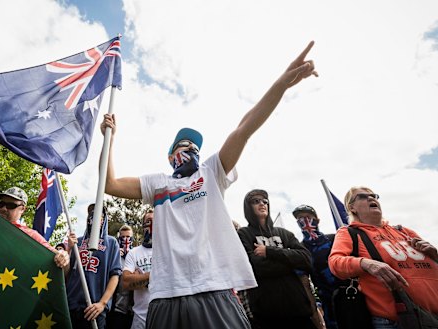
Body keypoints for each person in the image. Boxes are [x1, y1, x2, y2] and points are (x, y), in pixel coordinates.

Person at [100, 41, 318, 329]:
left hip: (212, 287)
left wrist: (281, 84)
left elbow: (245, 127)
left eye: (195, 147)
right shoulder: (157, 183)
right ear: (170, 156)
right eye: (184, 145)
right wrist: (110, 138)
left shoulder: (211, 172)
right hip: (166, 294)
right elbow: (110, 183)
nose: (191, 150)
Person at [329, 186, 438, 329]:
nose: (371, 198)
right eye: (362, 196)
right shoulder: (349, 233)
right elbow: (335, 263)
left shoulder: (405, 231)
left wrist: (435, 254)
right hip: (397, 321)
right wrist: (366, 264)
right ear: (352, 208)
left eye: (374, 195)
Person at [238, 189, 316, 329]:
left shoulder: (285, 234)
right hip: (266, 315)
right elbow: (255, 267)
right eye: (256, 201)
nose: (262, 204)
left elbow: (306, 260)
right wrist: (291, 262)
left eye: (265, 201)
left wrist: (269, 251)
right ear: (248, 207)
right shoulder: (243, 234)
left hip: (299, 310)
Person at [66, 204, 122, 329]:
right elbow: (66, 273)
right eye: (91, 213)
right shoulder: (77, 242)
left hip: (94, 309)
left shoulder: (111, 243)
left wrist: (102, 303)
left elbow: (115, 275)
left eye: (98, 213)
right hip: (72, 305)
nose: (94, 216)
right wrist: (69, 249)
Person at [0, 187, 71, 270]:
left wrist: (63, 255)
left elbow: (54, 254)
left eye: (11, 205)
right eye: (1, 204)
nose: (3, 208)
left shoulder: (29, 235)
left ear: (22, 209)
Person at [293, 204, 343, 329]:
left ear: (317, 220)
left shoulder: (334, 239)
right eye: (300, 218)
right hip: (328, 303)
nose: (305, 221)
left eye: (308, 217)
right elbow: (304, 283)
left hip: (350, 294)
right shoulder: (301, 250)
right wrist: (315, 313)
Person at [123, 210, 154, 329]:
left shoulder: (169, 251)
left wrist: (140, 277)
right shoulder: (134, 253)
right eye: (148, 222)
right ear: (142, 226)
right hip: (140, 320)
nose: (151, 225)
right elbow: (126, 282)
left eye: (155, 222)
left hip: (165, 316)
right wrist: (156, 275)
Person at [107, 225, 135, 329]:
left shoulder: (135, 255)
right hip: (116, 308)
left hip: (133, 308)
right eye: (122, 237)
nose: (126, 240)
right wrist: (115, 257)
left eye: (128, 237)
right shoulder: (114, 256)